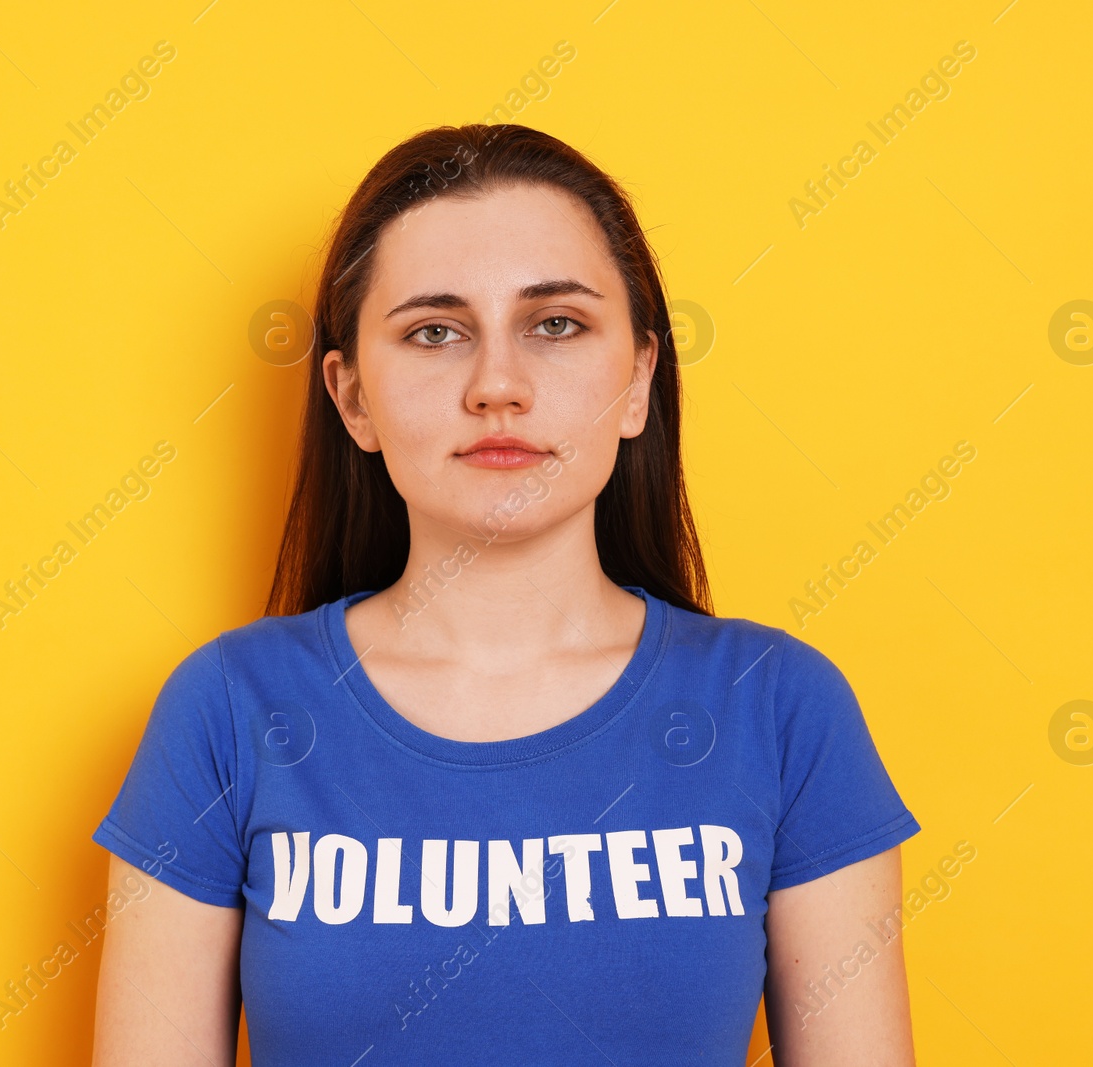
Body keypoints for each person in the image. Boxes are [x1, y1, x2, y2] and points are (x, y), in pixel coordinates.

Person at [89, 123, 920, 1066]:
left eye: (556, 324)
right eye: (434, 332)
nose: (497, 385)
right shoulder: (226, 713)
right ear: (352, 397)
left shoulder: (780, 708)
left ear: (640, 378)